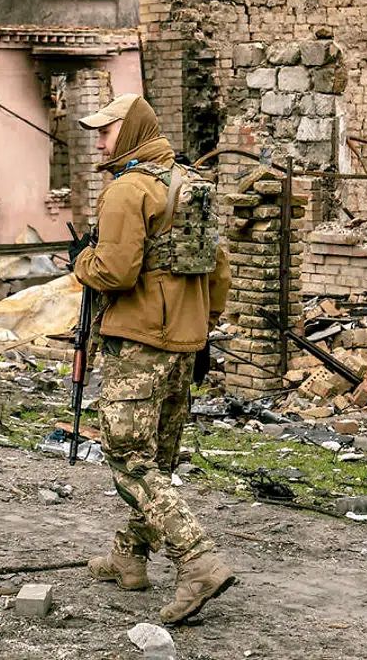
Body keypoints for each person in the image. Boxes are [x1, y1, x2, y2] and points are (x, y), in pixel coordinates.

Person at [72, 93, 235, 625]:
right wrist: (202, 324)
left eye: (106, 130)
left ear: (133, 130)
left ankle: (198, 562)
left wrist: (81, 263)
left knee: (128, 460)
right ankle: (130, 556)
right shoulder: (192, 186)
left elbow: (115, 273)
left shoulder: (126, 191)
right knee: (158, 461)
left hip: (137, 343)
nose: (97, 140)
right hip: (186, 343)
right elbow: (219, 272)